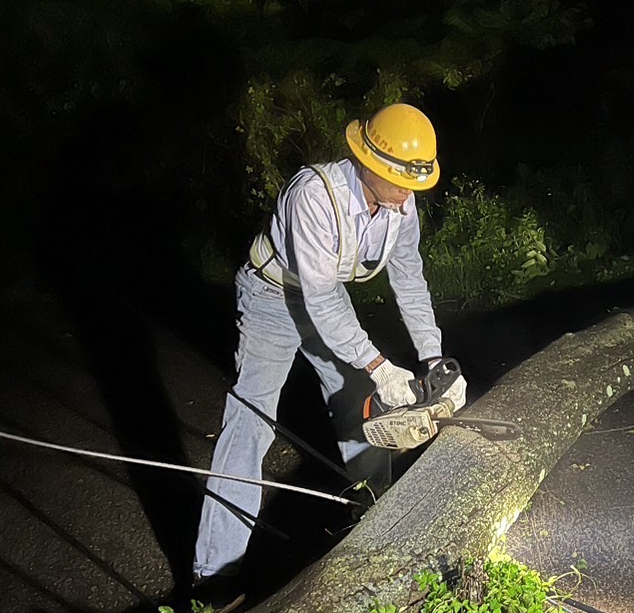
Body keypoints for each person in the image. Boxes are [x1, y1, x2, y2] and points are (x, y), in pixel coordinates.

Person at [192, 102, 465, 584]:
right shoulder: (314, 195)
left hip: (323, 299)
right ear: (370, 164)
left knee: (359, 405)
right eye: (401, 183)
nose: (408, 197)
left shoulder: (402, 205)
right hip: (272, 294)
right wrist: (380, 365)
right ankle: (214, 575)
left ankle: (382, 529)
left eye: (415, 186)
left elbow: (409, 278)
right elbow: (321, 298)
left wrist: (434, 357)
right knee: (251, 420)